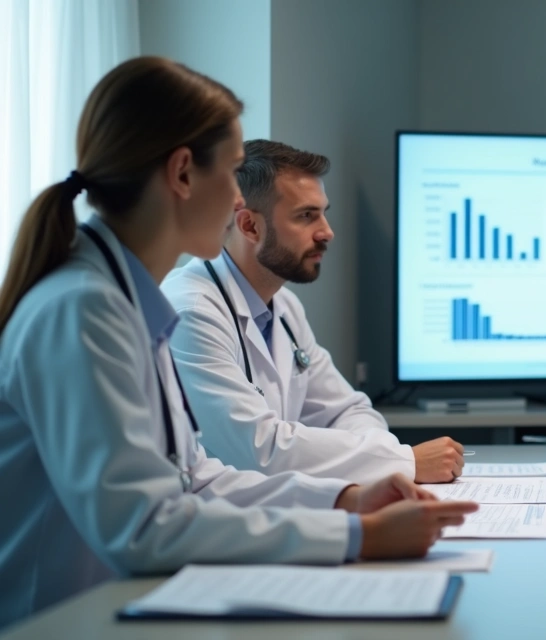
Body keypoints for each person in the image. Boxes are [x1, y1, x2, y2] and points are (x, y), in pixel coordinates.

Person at [0, 57, 477, 628]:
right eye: (230, 173)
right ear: (181, 174)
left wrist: (346, 502)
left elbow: (197, 479)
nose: (235, 201)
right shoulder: (84, 311)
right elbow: (144, 528)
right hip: (56, 621)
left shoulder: (123, 302)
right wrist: (357, 535)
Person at [161, 140, 464, 484]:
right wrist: (401, 461)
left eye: (323, 212)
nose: (327, 232)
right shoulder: (191, 311)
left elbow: (347, 411)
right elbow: (260, 450)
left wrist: (382, 463)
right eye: (306, 216)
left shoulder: (284, 306)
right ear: (249, 226)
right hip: (207, 525)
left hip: (276, 509)